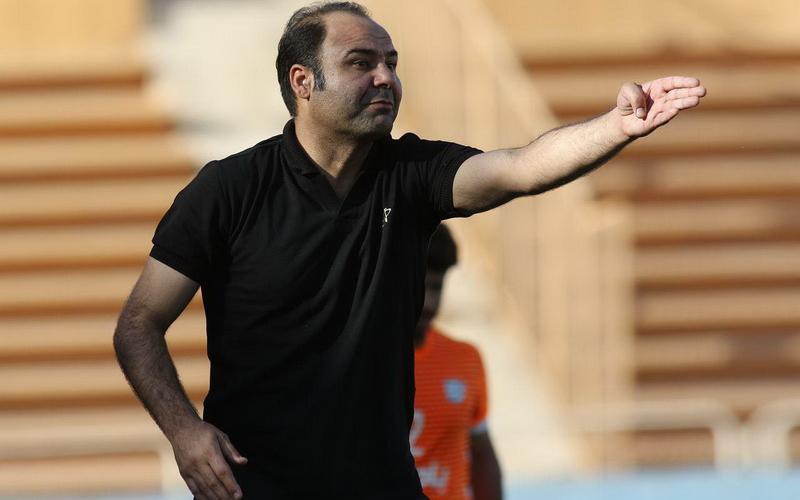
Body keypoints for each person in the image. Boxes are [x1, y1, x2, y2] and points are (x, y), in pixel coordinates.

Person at [112, 2, 706, 499]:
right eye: (361, 63)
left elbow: (521, 168)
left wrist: (616, 126)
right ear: (303, 81)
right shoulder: (228, 190)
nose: (385, 78)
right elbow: (138, 324)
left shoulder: (412, 174)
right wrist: (184, 432)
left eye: (391, 63)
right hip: (254, 487)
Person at [412, 224, 502, 500]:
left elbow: (482, 453)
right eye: (421, 287)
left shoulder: (465, 359)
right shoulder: (364, 360)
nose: (429, 302)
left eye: (437, 287)